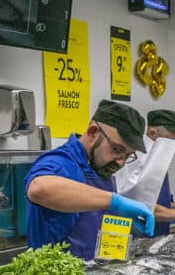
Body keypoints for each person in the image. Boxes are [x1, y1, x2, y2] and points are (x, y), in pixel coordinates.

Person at [25, 100, 155, 259]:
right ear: (93, 133)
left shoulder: (100, 167)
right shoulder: (62, 162)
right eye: (117, 149)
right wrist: (116, 202)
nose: (120, 162)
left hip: (96, 274)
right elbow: (39, 188)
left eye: (127, 155)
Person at [144, 109, 175, 237]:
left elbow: (158, 200)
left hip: (159, 236)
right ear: (152, 133)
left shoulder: (158, 160)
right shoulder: (139, 161)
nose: (172, 149)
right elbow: (143, 207)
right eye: (169, 143)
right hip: (139, 240)